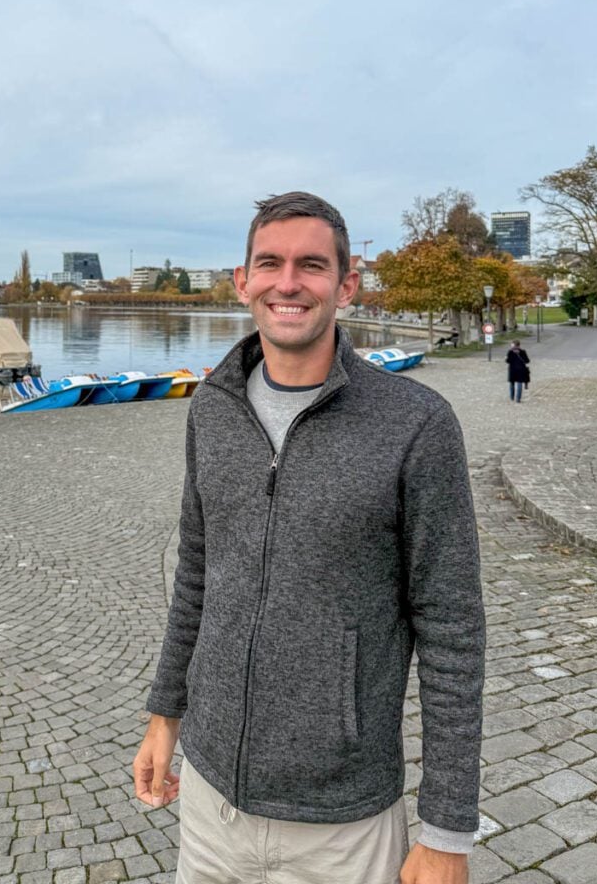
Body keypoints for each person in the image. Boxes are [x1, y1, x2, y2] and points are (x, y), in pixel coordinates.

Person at [133, 192, 486, 884]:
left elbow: (451, 629)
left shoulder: (415, 425)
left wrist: (447, 830)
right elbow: (197, 578)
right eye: (268, 263)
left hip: (343, 823)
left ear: (345, 284)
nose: (287, 282)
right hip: (210, 805)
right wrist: (164, 713)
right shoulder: (211, 409)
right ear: (242, 281)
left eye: (311, 265)